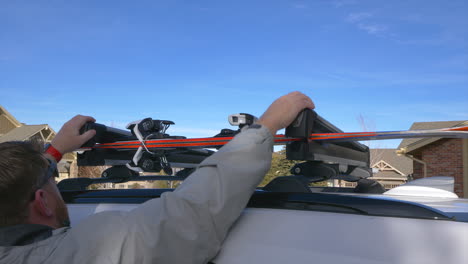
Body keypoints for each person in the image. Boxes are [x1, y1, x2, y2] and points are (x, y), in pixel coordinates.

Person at [0, 91, 315, 264]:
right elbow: (191, 215)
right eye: (52, 183)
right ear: (41, 201)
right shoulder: (68, 255)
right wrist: (268, 124)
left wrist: (53, 153)